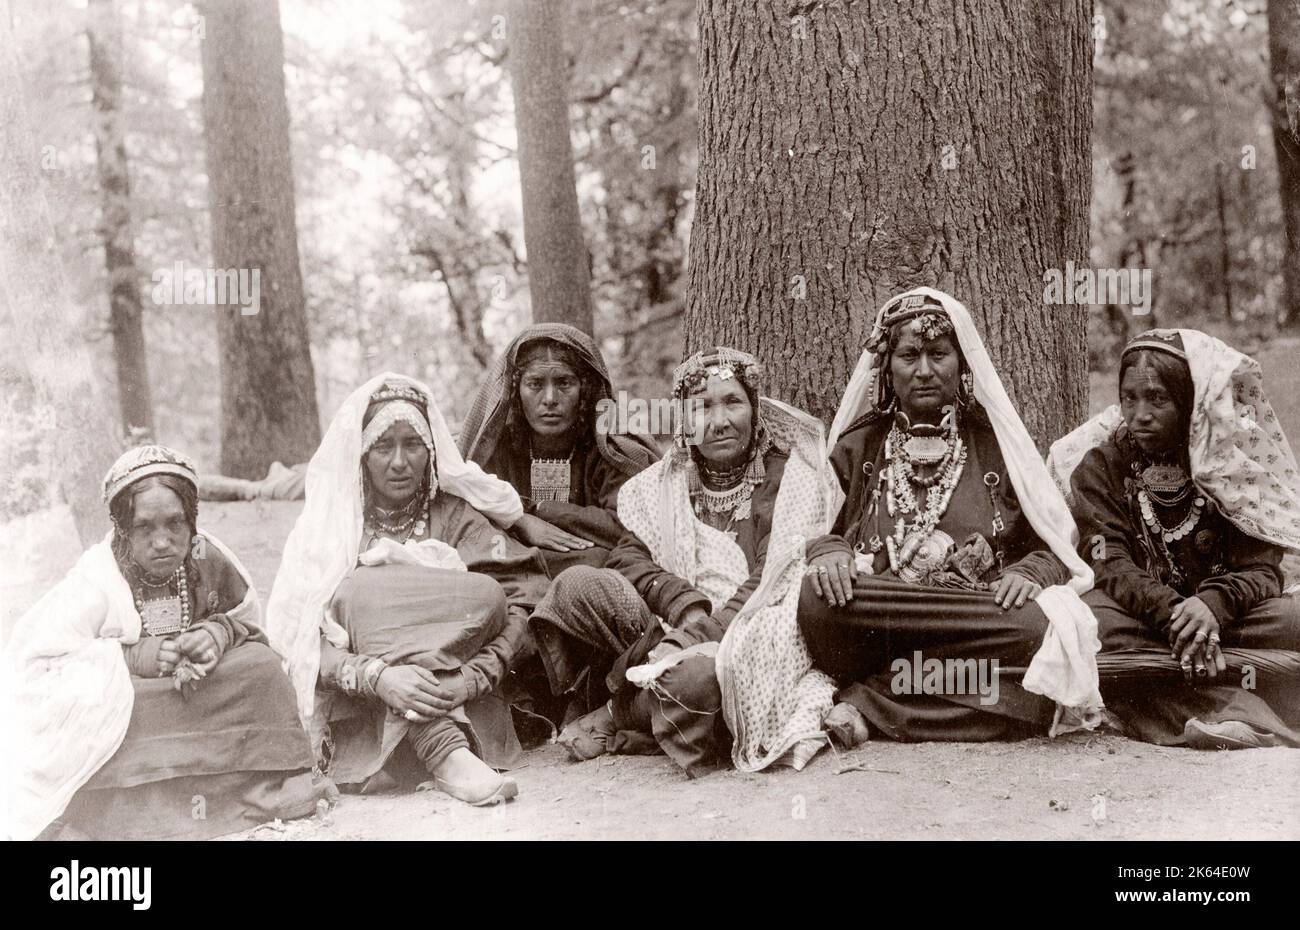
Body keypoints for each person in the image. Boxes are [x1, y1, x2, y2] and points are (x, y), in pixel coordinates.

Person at [796, 287, 1102, 741]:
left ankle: (872, 701)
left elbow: (1055, 541)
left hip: (973, 617)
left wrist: (1034, 569)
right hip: (887, 616)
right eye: (908, 356)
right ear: (886, 368)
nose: (924, 371)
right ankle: (957, 700)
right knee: (816, 601)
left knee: (1036, 624)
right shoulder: (859, 446)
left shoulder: (996, 444)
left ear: (962, 364)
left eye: (939, 354)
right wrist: (828, 549)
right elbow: (813, 526)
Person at [531, 348, 843, 775]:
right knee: (577, 585)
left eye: (733, 402)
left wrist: (703, 634)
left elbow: (775, 575)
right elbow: (627, 556)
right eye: (701, 408)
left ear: (754, 410)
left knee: (692, 680)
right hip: (671, 623)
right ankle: (651, 698)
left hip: (756, 630)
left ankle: (619, 712)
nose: (719, 421)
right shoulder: (664, 483)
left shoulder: (788, 479)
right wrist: (685, 607)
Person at [5, 445, 327, 840]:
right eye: (145, 528)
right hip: (138, 700)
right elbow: (36, 664)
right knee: (110, 699)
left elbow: (247, 623)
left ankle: (257, 784)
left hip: (206, 691)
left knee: (261, 669)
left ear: (192, 522)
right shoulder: (95, 580)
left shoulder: (208, 557)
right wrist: (133, 656)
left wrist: (217, 635)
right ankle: (131, 808)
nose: (163, 541)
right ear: (124, 528)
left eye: (175, 524)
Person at [266, 374, 548, 806]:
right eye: (383, 447)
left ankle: (436, 744)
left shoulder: (457, 517)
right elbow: (300, 642)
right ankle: (444, 752)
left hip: (459, 698)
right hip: (366, 709)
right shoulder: (331, 530)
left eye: (413, 444)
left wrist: (471, 678)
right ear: (361, 455)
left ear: (432, 453)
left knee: (487, 595)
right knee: (359, 593)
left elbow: (523, 604)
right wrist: (378, 676)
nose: (399, 462)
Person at [1049, 328, 1300, 748]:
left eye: (1158, 399)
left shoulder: (1227, 464)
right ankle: (1239, 710)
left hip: (1229, 620)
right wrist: (1177, 615)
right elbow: (1107, 559)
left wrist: (1212, 606)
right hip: (1146, 620)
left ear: (1190, 402)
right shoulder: (1100, 466)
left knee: (1293, 620)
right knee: (1092, 625)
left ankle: (1194, 703)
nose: (1140, 413)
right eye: (1130, 398)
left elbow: (1262, 568)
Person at [458, 322, 658, 576]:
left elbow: (627, 525)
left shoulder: (609, 448)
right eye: (535, 384)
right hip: (512, 566)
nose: (550, 398)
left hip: (587, 572)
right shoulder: (497, 447)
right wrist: (521, 522)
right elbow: (467, 513)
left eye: (564, 383)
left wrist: (534, 510)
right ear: (516, 391)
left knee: (599, 560)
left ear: (584, 390)